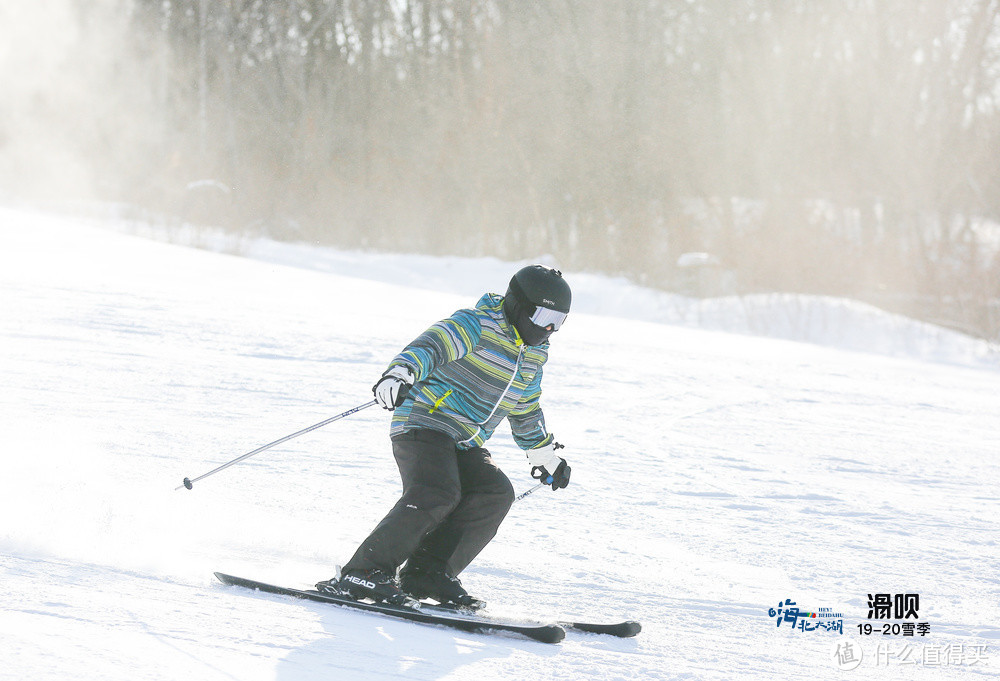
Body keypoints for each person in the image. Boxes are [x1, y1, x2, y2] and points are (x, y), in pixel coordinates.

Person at [316, 264, 573, 608]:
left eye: (559, 320)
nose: (549, 329)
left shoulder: (534, 355)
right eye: (543, 316)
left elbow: (525, 408)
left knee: (494, 492)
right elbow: (432, 347)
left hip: (466, 440)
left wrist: (543, 455)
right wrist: (400, 373)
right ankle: (364, 572)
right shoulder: (477, 325)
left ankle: (429, 572)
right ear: (517, 305)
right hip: (425, 420)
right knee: (438, 491)